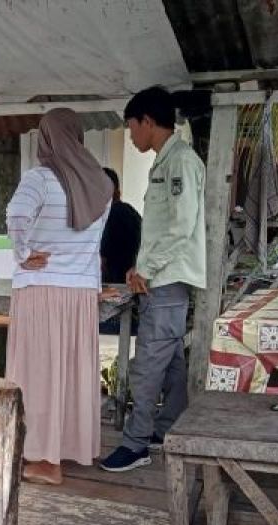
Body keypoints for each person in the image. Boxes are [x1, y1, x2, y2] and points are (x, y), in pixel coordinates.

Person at [100, 86, 206, 472]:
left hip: (167, 281)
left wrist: (148, 268)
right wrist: (137, 267)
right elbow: (162, 230)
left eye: (131, 127)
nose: (130, 136)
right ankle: (165, 429)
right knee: (172, 362)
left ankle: (136, 443)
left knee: (147, 364)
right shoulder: (168, 161)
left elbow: (181, 226)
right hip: (160, 278)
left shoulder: (180, 162)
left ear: (147, 121)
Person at [5, 108, 112, 486]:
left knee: (37, 372)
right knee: (70, 371)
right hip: (81, 292)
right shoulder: (101, 183)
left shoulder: (39, 179)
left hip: (42, 288)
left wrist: (22, 254)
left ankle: (45, 461)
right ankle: (68, 448)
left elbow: (15, 215)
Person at [98, 166, 143, 335]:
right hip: (134, 296)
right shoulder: (131, 212)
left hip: (115, 301)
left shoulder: (112, 214)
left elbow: (100, 262)